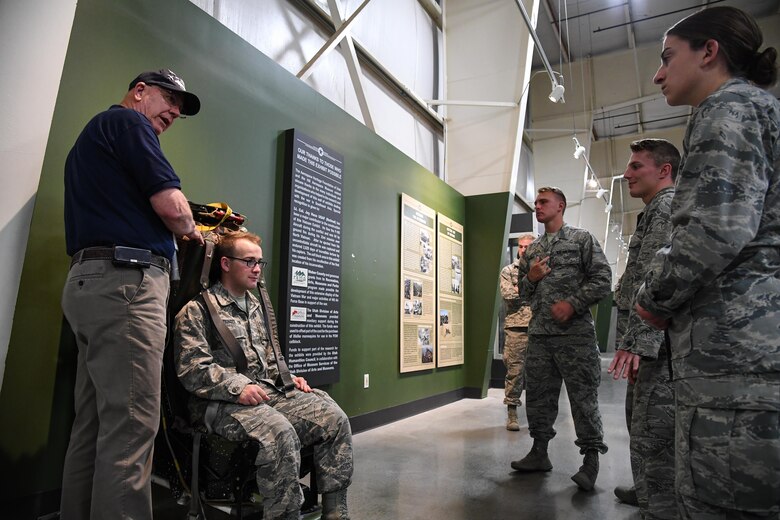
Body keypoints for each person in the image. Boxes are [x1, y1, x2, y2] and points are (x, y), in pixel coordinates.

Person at [635, 6, 779, 518]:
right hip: (747, 353)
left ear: (709, 52)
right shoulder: (756, 109)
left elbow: (717, 227)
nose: (658, 73)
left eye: (668, 57)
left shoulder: (728, 107)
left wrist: (653, 299)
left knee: (722, 501)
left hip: (735, 355)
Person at [60, 69, 203, 520]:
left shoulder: (91, 138)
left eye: (181, 108)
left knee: (96, 423)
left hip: (90, 282)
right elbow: (173, 209)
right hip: (127, 284)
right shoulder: (130, 124)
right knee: (132, 427)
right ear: (139, 92)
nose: (175, 112)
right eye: (169, 98)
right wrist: (190, 227)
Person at [174, 231, 353, 520]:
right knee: (278, 431)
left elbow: (267, 361)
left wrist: (287, 377)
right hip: (217, 403)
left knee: (333, 418)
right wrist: (237, 387)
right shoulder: (196, 311)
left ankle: (335, 512)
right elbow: (192, 369)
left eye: (259, 262)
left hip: (262, 393)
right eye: (248, 261)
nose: (257, 269)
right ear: (225, 263)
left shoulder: (255, 308)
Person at [510, 187, 611, 491]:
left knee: (583, 399)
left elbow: (603, 279)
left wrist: (574, 303)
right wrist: (532, 278)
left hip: (575, 336)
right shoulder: (533, 250)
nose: (537, 206)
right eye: (536, 202)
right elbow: (522, 295)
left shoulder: (581, 239)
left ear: (561, 206)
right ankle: (539, 452)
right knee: (539, 396)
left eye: (543, 202)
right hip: (540, 335)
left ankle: (590, 460)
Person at [608, 139, 680, 518]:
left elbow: (660, 275)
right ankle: (648, 490)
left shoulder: (666, 208)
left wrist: (639, 341)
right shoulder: (654, 211)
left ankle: (660, 504)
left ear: (664, 170)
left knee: (654, 433)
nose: (627, 174)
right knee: (640, 422)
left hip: (655, 347)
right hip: (646, 342)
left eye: (637, 166)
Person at [499, 234, 535, 431]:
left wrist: (519, 287)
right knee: (515, 372)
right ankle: (512, 413)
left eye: (527, 246)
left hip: (539, 327)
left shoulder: (544, 270)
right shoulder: (508, 271)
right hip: (516, 329)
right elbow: (509, 295)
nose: (523, 250)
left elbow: (547, 296)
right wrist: (530, 290)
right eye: (521, 246)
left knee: (540, 374)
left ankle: (538, 417)